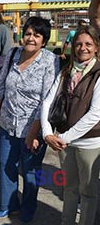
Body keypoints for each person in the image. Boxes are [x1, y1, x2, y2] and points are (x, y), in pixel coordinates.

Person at [0, 16, 59, 222]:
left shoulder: (50, 60)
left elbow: (47, 100)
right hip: (8, 123)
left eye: (36, 35)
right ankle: (8, 205)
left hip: (34, 127)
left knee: (31, 172)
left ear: (44, 41)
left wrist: (33, 132)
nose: (31, 38)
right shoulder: (13, 53)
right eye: (28, 33)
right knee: (7, 165)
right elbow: (1, 83)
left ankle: (28, 208)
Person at [41, 25, 100, 225]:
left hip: (89, 143)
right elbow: (48, 102)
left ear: (96, 47)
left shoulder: (98, 73)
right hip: (63, 143)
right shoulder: (66, 72)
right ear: (73, 47)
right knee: (69, 188)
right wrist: (47, 133)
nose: (83, 48)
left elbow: (95, 114)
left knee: (88, 192)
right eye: (79, 44)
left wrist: (63, 137)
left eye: (88, 44)